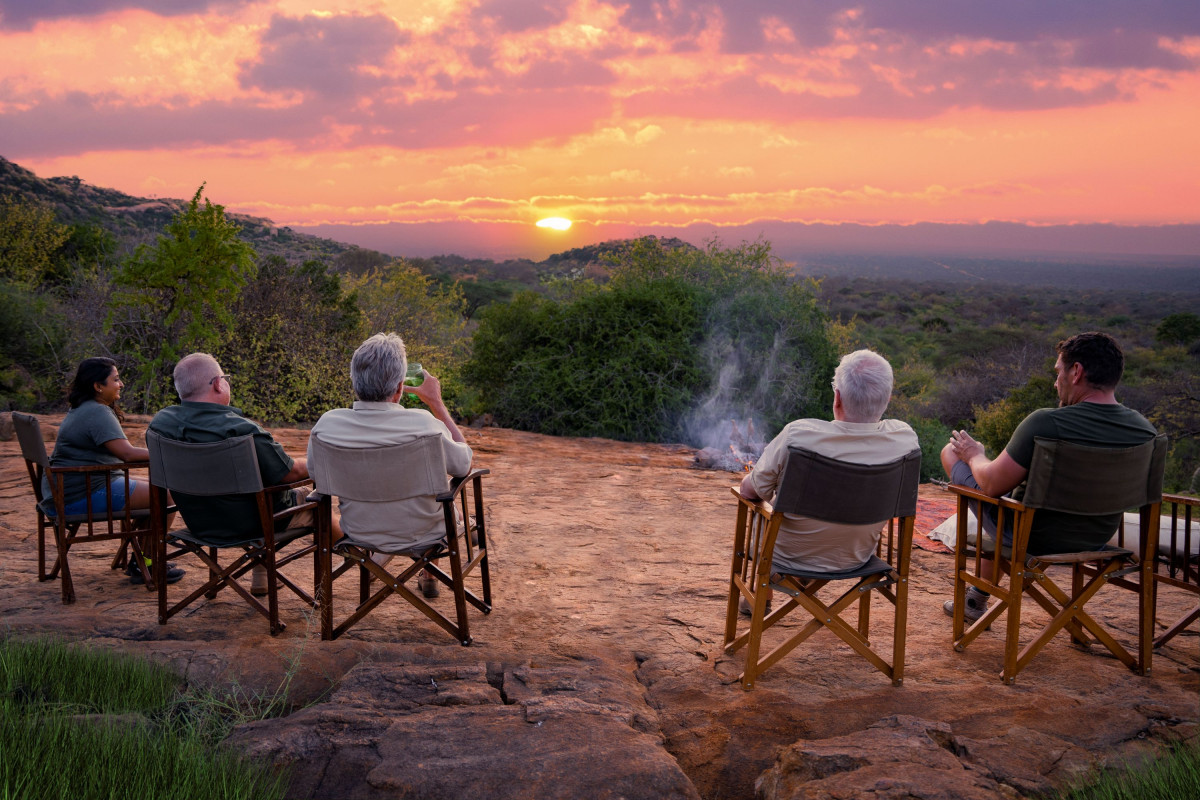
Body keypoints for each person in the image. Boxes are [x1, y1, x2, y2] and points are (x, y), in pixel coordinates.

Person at [940, 331, 1158, 623]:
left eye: (1058, 373)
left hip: (1032, 536)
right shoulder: (1144, 430)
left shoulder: (1047, 422)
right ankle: (974, 600)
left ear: (1076, 372)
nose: (1056, 383)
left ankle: (975, 599)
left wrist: (974, 454)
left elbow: (991, 485)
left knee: (953, 455)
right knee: (1004, 491)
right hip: (1096, 536)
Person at [738, 349, 918, 613]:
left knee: (764, 507)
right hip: (856, 557)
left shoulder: (799, 435)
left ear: (837, 398)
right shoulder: (905, 440)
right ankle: (803, 585)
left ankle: (760, 597)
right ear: (887, 399)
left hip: (788, 556)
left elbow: (750, 490)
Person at [307, 333, 472, 598]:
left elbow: (316, 475)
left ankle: (377, 563)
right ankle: (433, 567)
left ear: (355, 383)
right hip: (423, 533)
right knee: (439, 489)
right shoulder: (424, 425)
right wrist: (436, 404)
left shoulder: (327, 426)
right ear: (399, 388)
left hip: (359, 532)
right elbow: (464, 465)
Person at [148, 353, 311, 595]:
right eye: (225, 378)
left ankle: (262, 574)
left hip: (199, 522)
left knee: (256, 495)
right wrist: (318, 461)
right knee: (313, 501)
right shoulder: (241, 430)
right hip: (250, 524)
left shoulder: (160, 424)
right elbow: (290, 474)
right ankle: (365, 562)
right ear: (217, 383)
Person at [44, 357, 183, 584]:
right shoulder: (96, 412)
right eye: (116, 379)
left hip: (68, 489)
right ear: (98, 386)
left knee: (154, 491)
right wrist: (170, 453)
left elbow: (123, 451)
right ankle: (146, 562)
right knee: (165, 496)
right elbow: (126, 454)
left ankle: (143, 559)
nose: (121, 384)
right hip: (80, 494)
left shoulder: (83, 408)